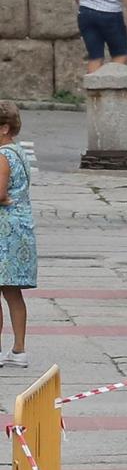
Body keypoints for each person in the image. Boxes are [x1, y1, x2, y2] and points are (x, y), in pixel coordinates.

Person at [0, 102, 34, 368]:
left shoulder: (2, 155)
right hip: (21, 226)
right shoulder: (19, 152)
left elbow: (0, 194)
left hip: (4, 230)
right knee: (13, 293)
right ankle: (19, 349)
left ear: (4, 128)